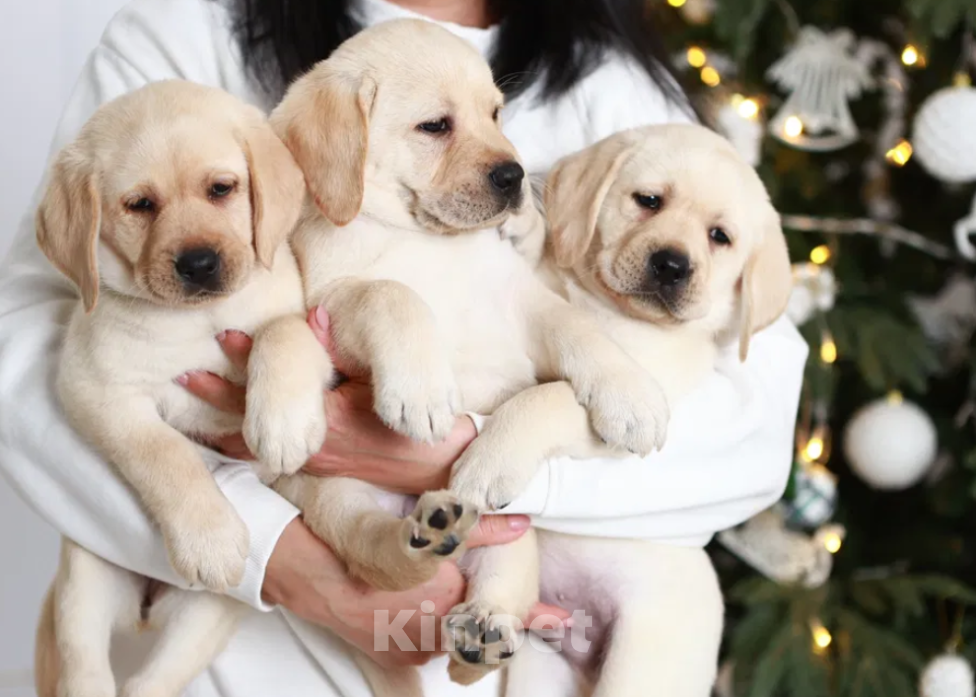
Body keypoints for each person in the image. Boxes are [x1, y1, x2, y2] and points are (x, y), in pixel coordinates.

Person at [0, 0, 809, 694]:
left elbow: (755, 422)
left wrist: (479, 460)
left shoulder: (609, 74)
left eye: (494, 116)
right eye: (436, 126)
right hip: (244, 664)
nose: (507, 162)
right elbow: (27, 348)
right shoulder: (191, 25)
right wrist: (269, 553)